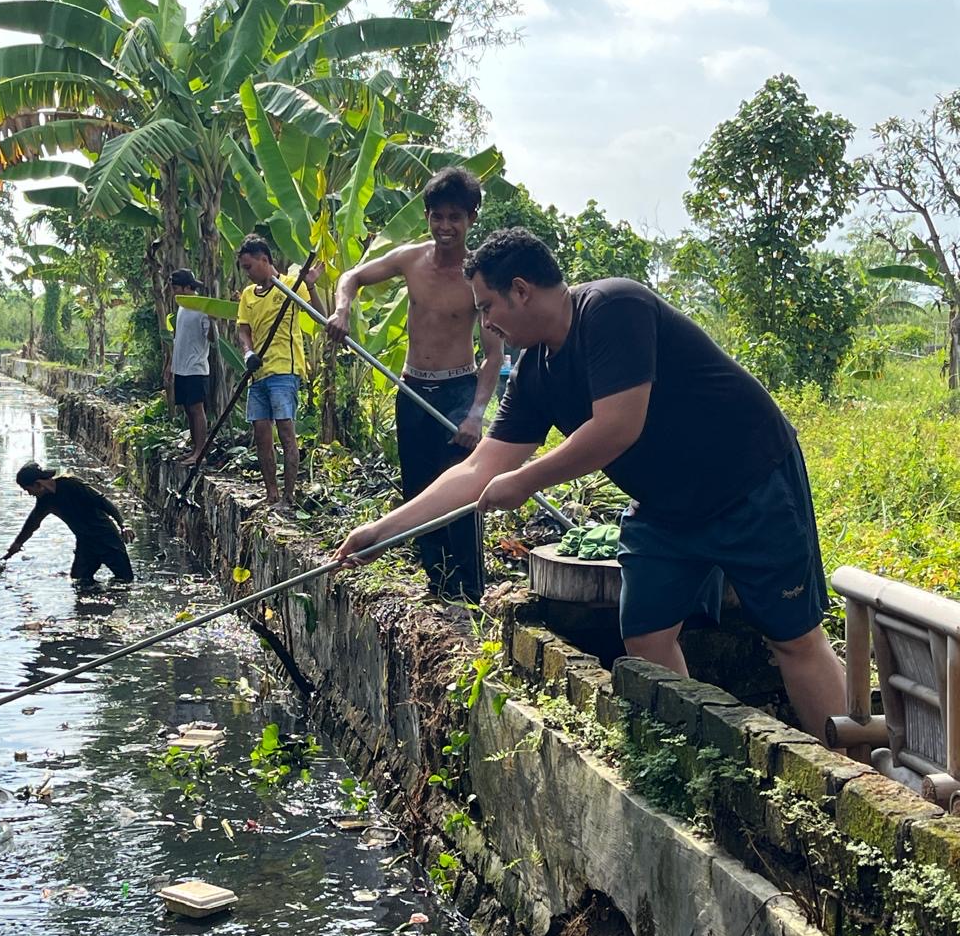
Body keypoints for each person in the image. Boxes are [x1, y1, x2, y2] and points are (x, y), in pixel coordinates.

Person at [335, 227, 846, 744]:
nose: (485, 323)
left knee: (792, 638)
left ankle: (857, 766)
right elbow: (477, 469)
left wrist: (525, 479)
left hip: (750, 481)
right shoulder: (535, 373)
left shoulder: (612, 307)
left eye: (487, 307)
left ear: (521, 290)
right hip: (667, 509)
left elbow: (617, 427)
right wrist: (381, 531)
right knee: (646, 639)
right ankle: (690, 755)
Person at [327, 167, 502, 603]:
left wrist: (475, 415)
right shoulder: (411, 259)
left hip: (458, 391)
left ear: (471, 218)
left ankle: (469, 590)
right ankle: (437, 583)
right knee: (418, 489)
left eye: (455, 217)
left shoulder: (479, 276)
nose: (445, 227)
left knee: (460, 491)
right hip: (411, 389)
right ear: (427, 216)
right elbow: (351, 277)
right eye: (437, 216)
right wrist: (342, 310)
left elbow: (494, 355)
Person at [235, 235, 322, 510]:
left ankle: (289, 496)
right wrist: (248, 353)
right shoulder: (248, 296)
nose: (247, 273)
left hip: (284, 370)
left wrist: (310, 285)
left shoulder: (290, 286)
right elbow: (244, 329)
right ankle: (271, 493)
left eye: (249, 267)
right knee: (262, 434)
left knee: (285, 431)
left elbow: (320, 316)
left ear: (264, 260)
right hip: (258, 373)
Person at [0, 462, 135, 584]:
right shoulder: (45, 502)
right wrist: (14, 548)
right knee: (79, 582)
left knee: (125, 580)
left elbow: (102, 501)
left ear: (38, 484)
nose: (30, 494)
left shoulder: (71, 484)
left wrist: (123, 524)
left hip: (108, 539)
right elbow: (31, 525)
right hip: (85, 543)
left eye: (28, 489)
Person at [166, 268, 216, 464]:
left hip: (196, 367)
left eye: (176, 288)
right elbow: (178, 337)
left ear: (187, 287)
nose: (174, 292)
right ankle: (194, 448)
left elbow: (211, 338)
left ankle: (200, 452)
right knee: (188, 409)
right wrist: (170, 364)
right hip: (181, 367)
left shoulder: (201, 307)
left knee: (197, 408)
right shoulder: (182, 307)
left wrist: (212, 321)